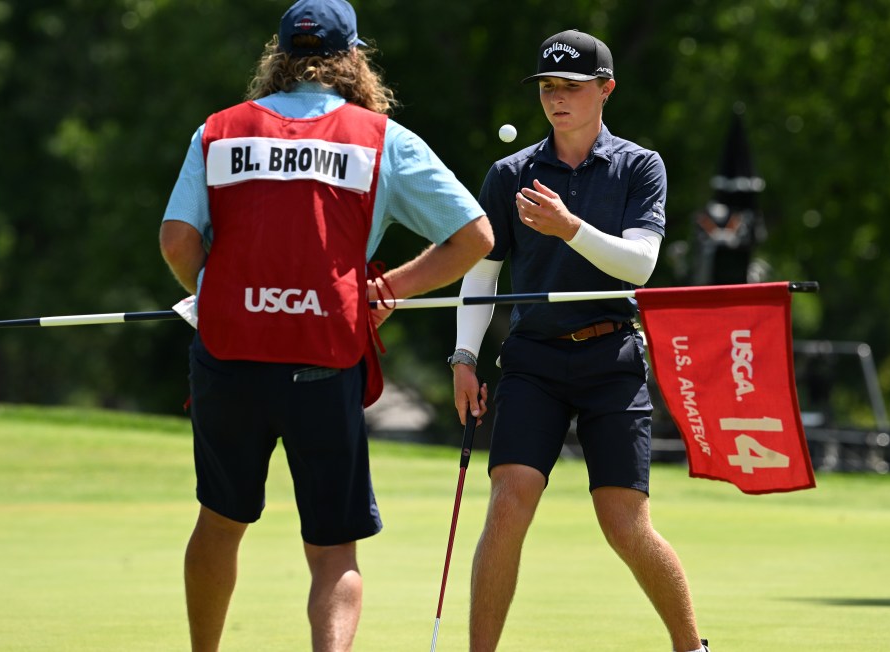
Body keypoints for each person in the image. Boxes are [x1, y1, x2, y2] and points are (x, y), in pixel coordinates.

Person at [159, 1, 493, 650]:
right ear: (352, 59)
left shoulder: (219, 131)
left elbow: (176, 240)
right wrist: (389, 289)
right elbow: (474, 235)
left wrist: (212, 291)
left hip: (229, 353)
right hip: (321, 357)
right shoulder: (379, 138)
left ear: (279, 56)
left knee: (219, 521)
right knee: (333, 547)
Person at [450, 30, 709, 652]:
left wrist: (570, 229)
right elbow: (482, 271)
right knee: (509, 500)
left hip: (610, 356)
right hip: (533, 360)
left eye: (570, 87)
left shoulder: (639, 167)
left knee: (623, 520)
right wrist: (464, 356)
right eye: (547, 87)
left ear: (605, 89)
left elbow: (640, 265)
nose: (556, 98)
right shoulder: (511, 173)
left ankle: (691, 646)